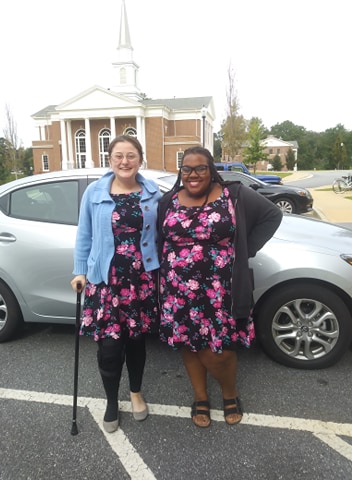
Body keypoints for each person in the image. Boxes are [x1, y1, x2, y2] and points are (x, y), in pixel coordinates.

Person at [158, 146, 282, 428]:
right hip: (178, 291)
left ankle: (230, 393)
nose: (193, 174)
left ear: (211, 170)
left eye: (200, 168)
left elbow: (272, 216)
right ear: (181, 172)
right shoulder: (168, 200)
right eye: (187, 169)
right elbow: (159, 239)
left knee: (221, 350)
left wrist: (245, 249)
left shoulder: (234, 194)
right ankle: (200, 396)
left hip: (221, 290)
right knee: (189, 345)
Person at [71, 135, 161, 433]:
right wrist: (79, 270)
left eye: (131, 155)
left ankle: (135, 392)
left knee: (136, 343)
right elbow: (84, 235)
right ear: (110, 159)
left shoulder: (152, 194)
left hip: (140, 281)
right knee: (109, 348)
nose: (125, 161)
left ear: (140, 159)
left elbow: (163, 234)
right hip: (105, 282)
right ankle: (112, 400)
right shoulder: (94, 193)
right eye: (119, 155)